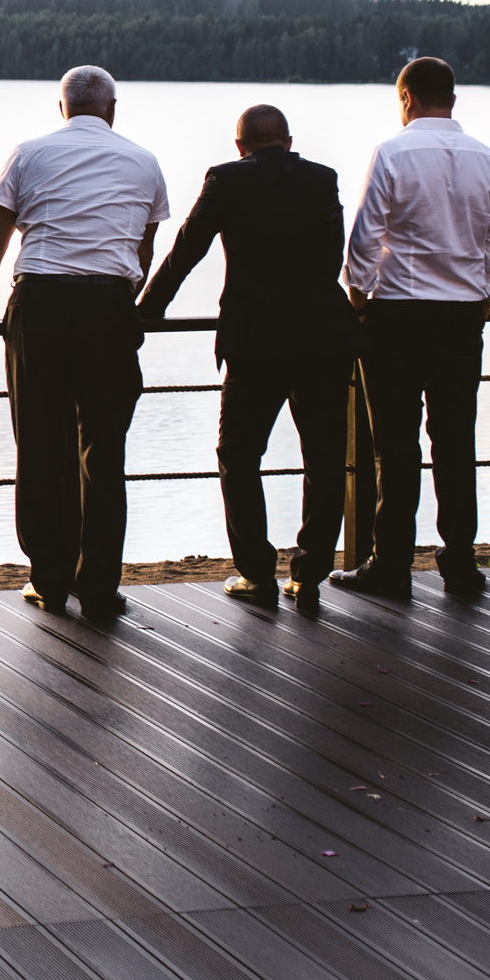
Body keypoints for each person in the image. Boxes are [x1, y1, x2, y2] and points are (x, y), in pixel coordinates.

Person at [0, 65, 170, 619]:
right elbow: (143, 249)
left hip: (42, 303)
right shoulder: (144, 161)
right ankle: (98, 587)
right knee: (104, 451)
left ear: (62, 108)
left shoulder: (30, 153)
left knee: (42, 445)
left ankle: (49, 580)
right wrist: (119, 292)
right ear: (112, 108)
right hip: (108, 307)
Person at [138, 104, 356, 606]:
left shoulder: (226, 180)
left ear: (240, 146)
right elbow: (333, 255)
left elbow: (185, 251)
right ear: (288, 140)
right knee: (323, 457)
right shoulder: (323, 180)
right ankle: (309, 573)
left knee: (238, 455)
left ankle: (256, 573)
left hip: (256, 340)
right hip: (324, 336)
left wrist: (145, 313)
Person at [332, 56, 490, 599]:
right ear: (451, 98)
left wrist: (359, 296)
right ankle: (459, 562)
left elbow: (367, 234)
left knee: (395, 444)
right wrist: (487, 295)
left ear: (406, 98)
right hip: (461, 317)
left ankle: (390, 564)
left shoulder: (393, 152)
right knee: (456, 441)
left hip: (396, 316)